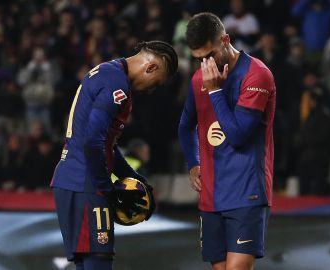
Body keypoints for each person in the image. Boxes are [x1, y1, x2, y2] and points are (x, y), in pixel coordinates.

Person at [51, 40, 178, 270]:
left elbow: (104, 142)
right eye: (156, 83)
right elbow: (93, 142)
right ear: (150, 67)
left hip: (72, 179)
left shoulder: (108, 72)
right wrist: (105, 189)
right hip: (86, 183)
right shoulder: (116, 83)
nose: (152, 90)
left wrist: (134, 177)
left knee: (88, 264)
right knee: (98, 262)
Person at [179, 13, 276, 270]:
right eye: (198, 59)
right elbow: (185, 126)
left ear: (225, 39)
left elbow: (238, 136)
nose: (205, 63)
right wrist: (193, 163)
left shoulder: (257, 75)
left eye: (209, 55)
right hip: (211, 194)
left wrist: (215, 91)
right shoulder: (199, 78)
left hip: (247, 191)